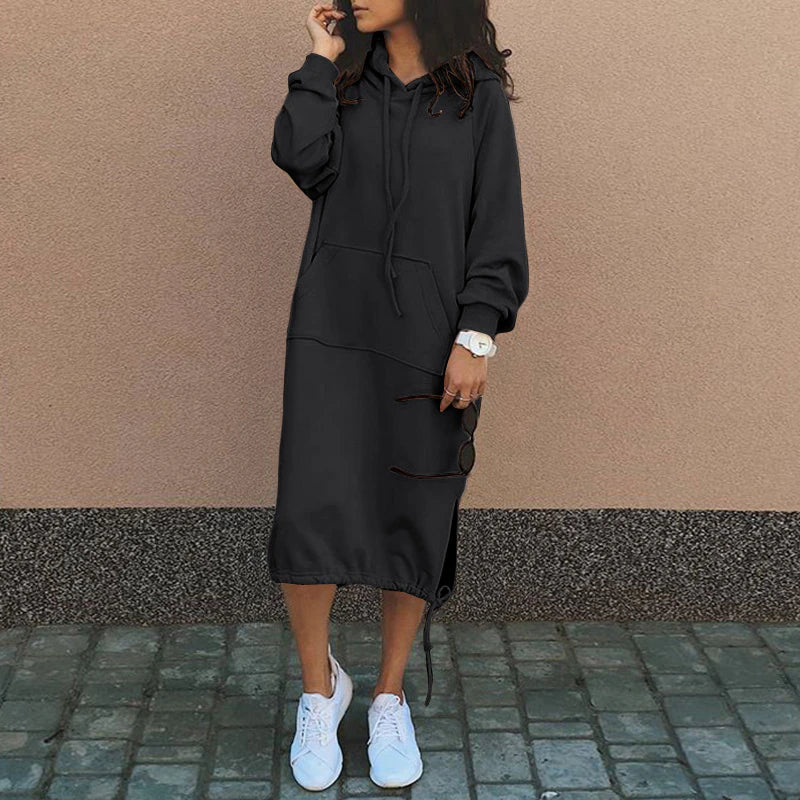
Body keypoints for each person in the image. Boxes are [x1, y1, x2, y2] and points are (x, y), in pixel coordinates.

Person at [268, 0, 529, 790]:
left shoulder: (477, 96)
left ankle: (388, 696)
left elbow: (497, 224)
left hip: (429, 344)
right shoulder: (342, 80)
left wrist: (476, 335)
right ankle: (319, 692)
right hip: (332, 333)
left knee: (412, 513)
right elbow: (300, 158)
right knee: (310, 509)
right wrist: (319, 60)